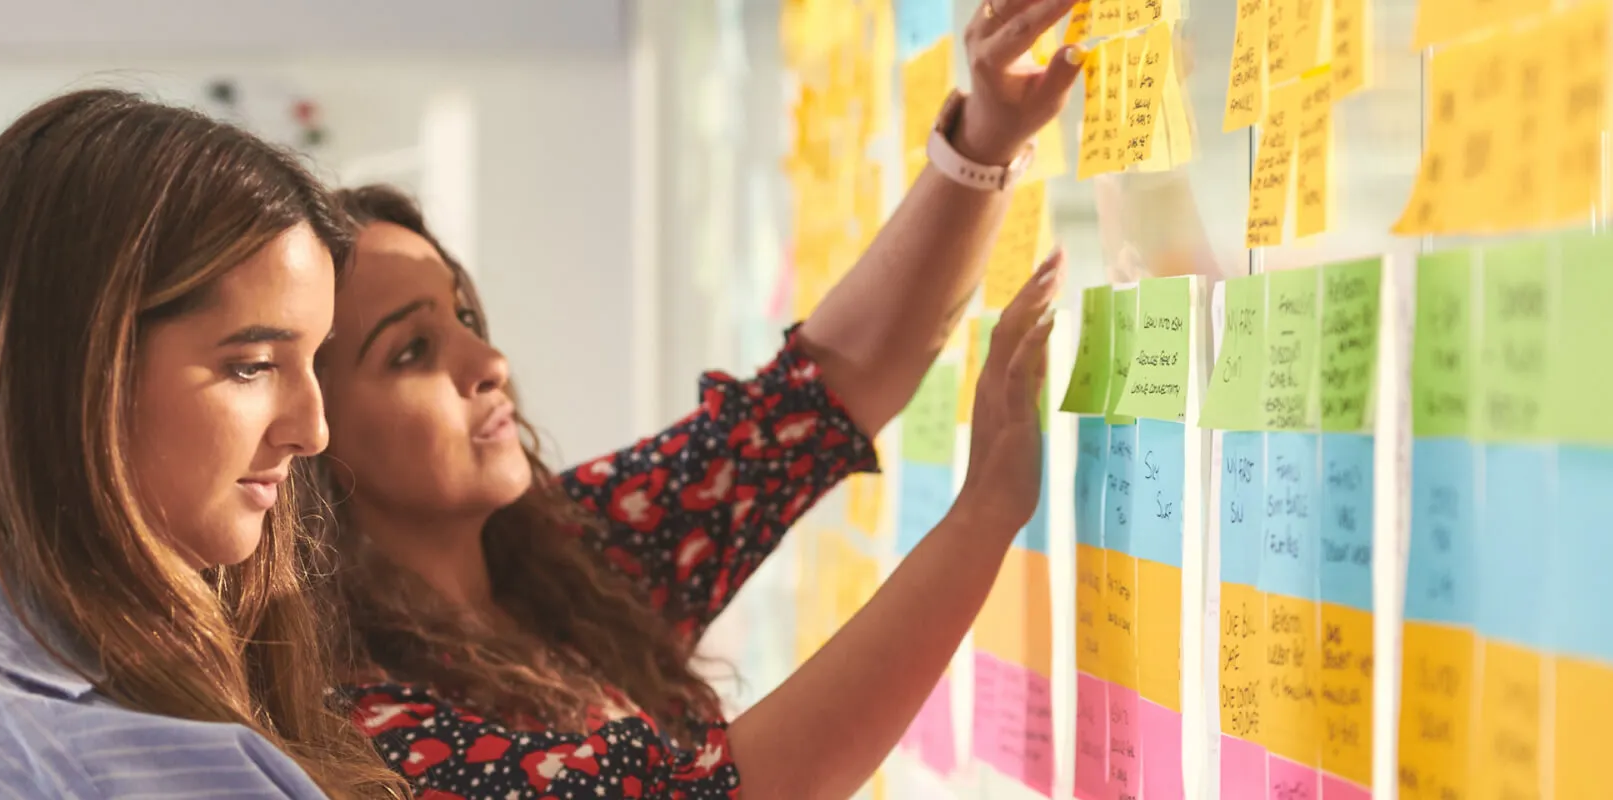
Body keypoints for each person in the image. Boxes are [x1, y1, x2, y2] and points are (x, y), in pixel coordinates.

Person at [305, 1, 1084, 795]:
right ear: (307, 432)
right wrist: (983, 513)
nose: (491, 361)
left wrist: (985, 140)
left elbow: (813, 401)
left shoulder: (559, 554)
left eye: (466, 316)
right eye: (412, 351)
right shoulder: (366, 733)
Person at [0, 89, 401, 798]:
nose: (313, 430)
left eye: (314, 361)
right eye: (253, 365)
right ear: (83, 372)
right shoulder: (113, 760)